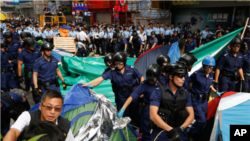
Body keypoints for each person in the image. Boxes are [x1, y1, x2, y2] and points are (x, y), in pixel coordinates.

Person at [82, 52, 144, 121]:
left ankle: (137, 126)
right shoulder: (112, 72)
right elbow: (100, 79)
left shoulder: (131, 69)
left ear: (124, 62)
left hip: (133, 92)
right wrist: (88, 84)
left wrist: (141, 90)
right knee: (124, 112)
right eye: (117, 63)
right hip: (122, 94)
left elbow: (141, 77)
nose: (118, 65)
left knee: (136, 110)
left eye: (121, 63)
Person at [3, 90, 74, 141]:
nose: (52, 112)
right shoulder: (28, 117)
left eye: (57, 108)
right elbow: (14, 131)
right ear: (40, 106)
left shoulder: (65, 125)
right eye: (48, 107)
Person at [149, 62, 194, 141]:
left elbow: (191, 115)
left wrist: (180, 129)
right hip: (162, 131)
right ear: (170, 76)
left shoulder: (186, 93)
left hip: (179, 131)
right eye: (180, 76)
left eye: (184, 76)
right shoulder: (158, 91)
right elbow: (153, 115)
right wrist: (171, 130)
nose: (183, 79)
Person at [118, 64, 161, 141]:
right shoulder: (145, 84)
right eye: (149, 78)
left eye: (153, 79)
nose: (150, 81)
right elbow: (132, 96)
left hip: (160, 110)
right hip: (148, 111)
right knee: (146, 133)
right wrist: (123, 109)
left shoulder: (163, 84)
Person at [187, 56, 217, 141]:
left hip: (205, 101)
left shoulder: (211, 75)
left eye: (211, 67)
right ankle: (191, 133)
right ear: (203, 66)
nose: (209, 68)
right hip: (196, 100)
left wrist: (214, 89)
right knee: (201, 120)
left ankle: (197, 134)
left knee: (205, 118)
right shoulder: (197, 74)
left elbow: (209, 84)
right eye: (207, 66)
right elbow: (187, 81)